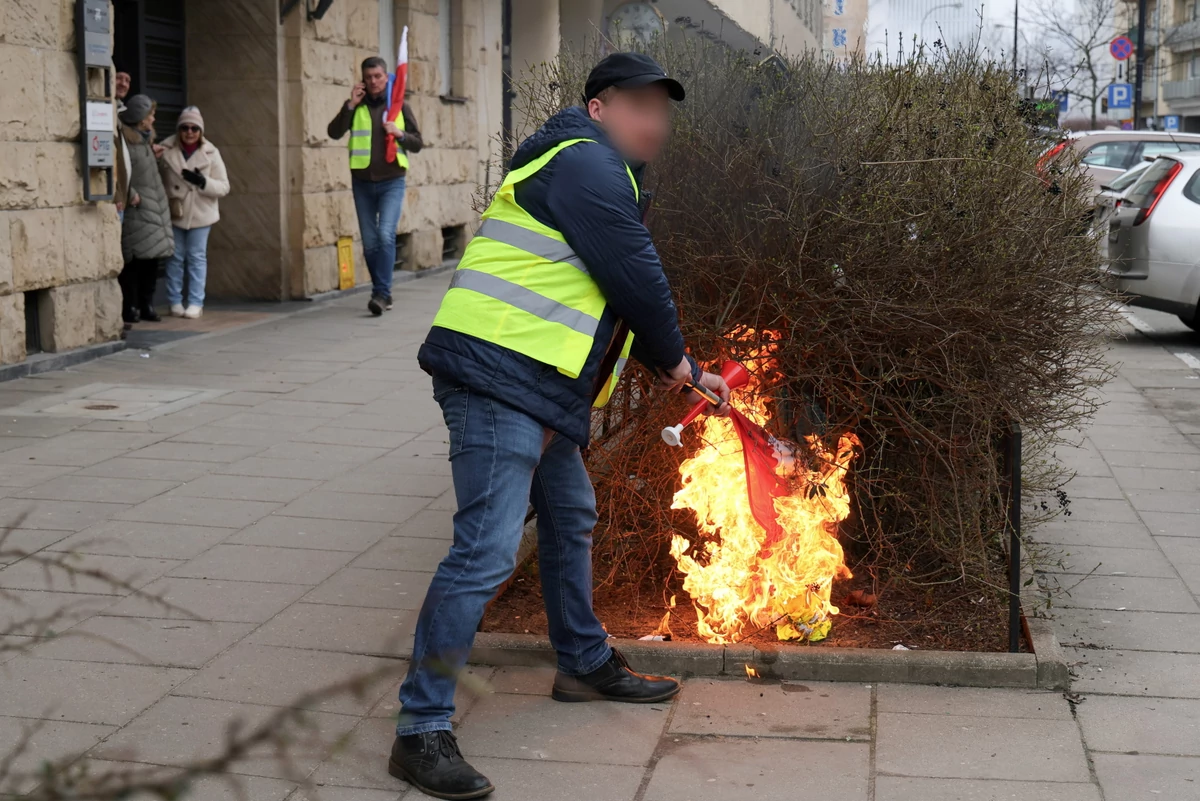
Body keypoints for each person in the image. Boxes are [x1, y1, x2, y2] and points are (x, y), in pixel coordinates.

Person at [389, 53, 732, 800]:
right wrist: (674, 353)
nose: (655, 123)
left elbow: (606, 298)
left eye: (663, 112)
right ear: (600, 107)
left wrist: (685, 369)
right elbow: (634, 273)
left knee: (571, 513)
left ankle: (580, 662)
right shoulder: (584, 163)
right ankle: (419, 728)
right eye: (640, 107)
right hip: (495, 377)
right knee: (483, 552)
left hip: (531, 384)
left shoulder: (599, 173)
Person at [327, 56, 423, 316]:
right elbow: (333, 132)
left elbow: (417, 142)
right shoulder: (356, 107)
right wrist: (350, 104)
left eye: (378, 76)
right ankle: (382, 292)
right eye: (368, 77)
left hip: (392, 181)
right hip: (362, 183)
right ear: (363, 80)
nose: (373, 82)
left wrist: (400, 134)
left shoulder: (398, 106)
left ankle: (381, 293)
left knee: (385, 235)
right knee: (369, 241)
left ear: (386, 76)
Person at [159, 106, 230, 319]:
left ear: (201, 131)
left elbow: (224, 186)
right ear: (179, 129)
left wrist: (202, 182)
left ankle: (196, 302)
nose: (190, 132)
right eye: (185, 128)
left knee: (197, 258)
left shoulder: (211, 152)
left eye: (194, 129)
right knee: (174, 258)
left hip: (201, 213)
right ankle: (174, 301)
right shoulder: (165, 150)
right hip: (175, 212)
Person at [117, 94, 173, 327]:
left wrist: (158, 158)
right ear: (141, 119)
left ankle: (146, 304)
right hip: (138, 209)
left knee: (152, 261)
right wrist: (130, 196)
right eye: (150, 115)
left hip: (154, 207)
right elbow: (120, 172)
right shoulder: (126, 143)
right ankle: (130, 306)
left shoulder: (147, 142)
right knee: (134, 263)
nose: (153, 118)